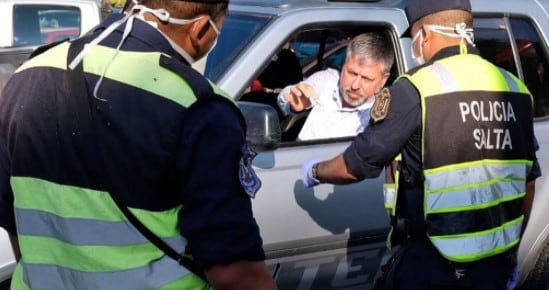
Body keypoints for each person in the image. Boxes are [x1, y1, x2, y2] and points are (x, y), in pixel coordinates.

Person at [0, 0, 278, 289]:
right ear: (200, 29)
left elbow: (16, 220)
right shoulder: (199, 105)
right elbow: (237, 274)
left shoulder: (28, 74)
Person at [299, 0, 541, 289]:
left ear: (424, 35)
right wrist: (511, 255)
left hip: (432, 263)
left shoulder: (416, 87)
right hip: (494, 266)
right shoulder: (515, 88)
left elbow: (355, 166)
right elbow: (527, 183)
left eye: (414, 37)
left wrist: (314, 172)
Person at [277, 32, 394, 141]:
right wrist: (294, 101)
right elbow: (286, 96)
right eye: (352, 73)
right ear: (343, 65)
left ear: (383, 80)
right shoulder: (328, 80)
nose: (355, 85)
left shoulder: (382, 117)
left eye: (366, 79)